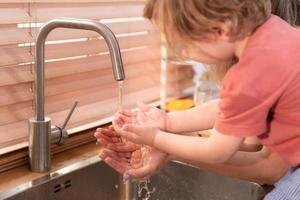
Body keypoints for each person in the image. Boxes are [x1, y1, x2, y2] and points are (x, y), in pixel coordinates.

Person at [95, 0, 300, 198]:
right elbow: (230, 107)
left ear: (220, 30)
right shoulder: (274, 29)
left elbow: (217, 151)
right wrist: (168, 121)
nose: (186, 54)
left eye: (185, 46)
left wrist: (155, 138)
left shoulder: (248, 75)